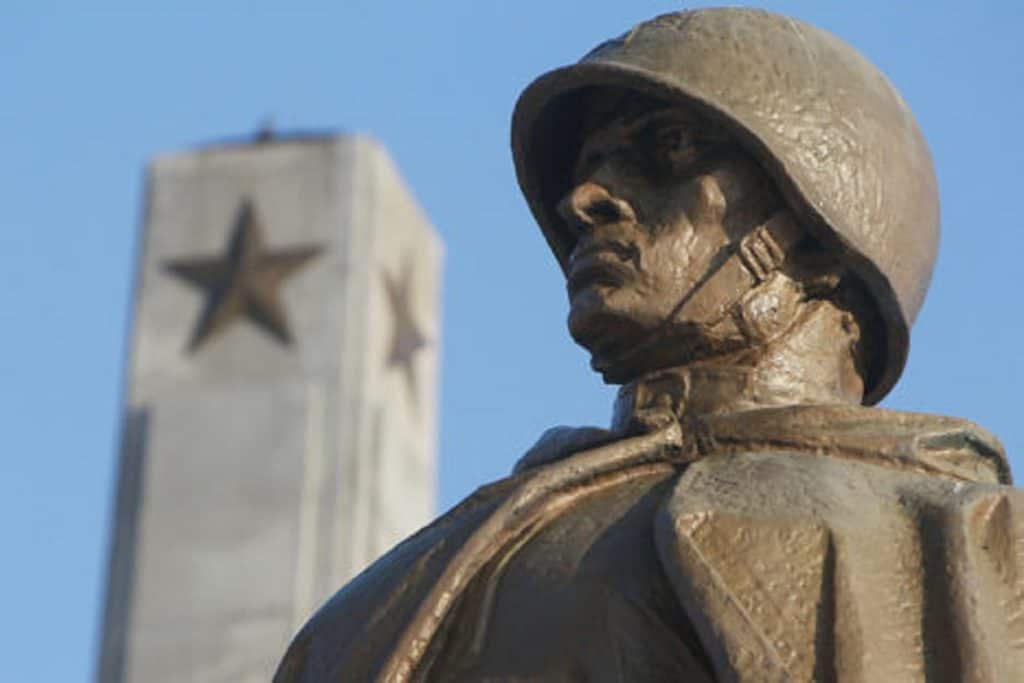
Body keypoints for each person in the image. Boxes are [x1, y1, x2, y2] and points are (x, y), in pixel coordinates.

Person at [276, 9, 1022, 682]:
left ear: (822, 233)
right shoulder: (387, 603)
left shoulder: (967, 545)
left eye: (668, 148)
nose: (584, 199)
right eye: (586, 165)